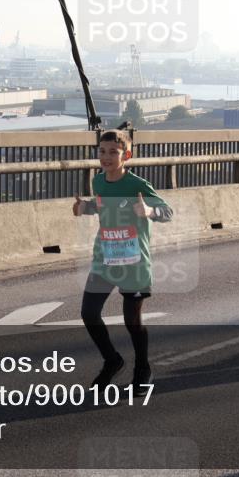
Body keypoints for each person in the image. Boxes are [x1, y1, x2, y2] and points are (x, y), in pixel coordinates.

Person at [73, 129, 173, 395]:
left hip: (133, 262)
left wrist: (150, 211)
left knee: (132, 322)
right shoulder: (99, 182)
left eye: (113, 152)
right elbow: (102, 204)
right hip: (104, 259)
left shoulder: (138, 185)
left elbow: (168, 211)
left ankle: (143, 369)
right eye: (102, 152)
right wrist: (86, 207)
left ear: (126, 155)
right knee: (89, 313)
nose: (106, 157)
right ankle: (112, 360)